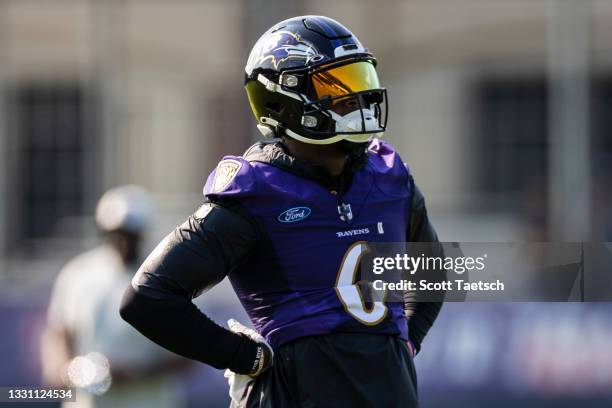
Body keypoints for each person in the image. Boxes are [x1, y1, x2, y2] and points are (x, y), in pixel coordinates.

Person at [120, 16, 444, 407]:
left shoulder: (389, 175)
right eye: (338, 87)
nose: (359, 101)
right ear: (285, 98)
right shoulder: (258, 190)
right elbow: (148, 297)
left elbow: (433, 271)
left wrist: (405, 340)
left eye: (361, 82)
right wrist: (244, 356)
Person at [41, 185, 188, 408]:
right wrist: (69, 370)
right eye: (117, 234)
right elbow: (60, 333)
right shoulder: (78, 273)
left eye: (130, 235)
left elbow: (189, 353)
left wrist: (136, 374)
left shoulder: (168, 276)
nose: (123, 243)